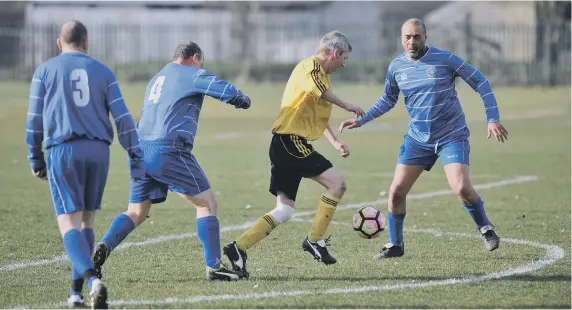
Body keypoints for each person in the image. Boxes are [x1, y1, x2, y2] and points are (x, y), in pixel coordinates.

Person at [339, 18, 508, 259]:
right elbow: (388, 99)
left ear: (425, 37)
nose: (411, 41)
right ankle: (395, 245)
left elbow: (480, 80)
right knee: (396, 191)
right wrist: (361, 120)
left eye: (416, 36)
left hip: (451, 135)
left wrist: (492, 118)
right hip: (418, 139)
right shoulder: (396, 66)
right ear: (401, 38)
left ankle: (486, 228)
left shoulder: (445, 59)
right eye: (407, 37)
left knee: (461, 187)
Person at [92, 41, 251, 281]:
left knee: (137, 210)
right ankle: (214, 267)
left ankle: (104, 245)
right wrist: (243, 100)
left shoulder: (157, 77)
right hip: (167, 148)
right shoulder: (192, 73)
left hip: (139, 147)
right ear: (195, 57)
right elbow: (228, 91)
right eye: (201, 62)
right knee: (206, 204)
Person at [223, 31, 364, 278]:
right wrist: (348, 105)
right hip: (290, 143)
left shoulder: (322, 80)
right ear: (334, 53)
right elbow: (321, 93)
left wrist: (335, 142)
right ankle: (315, 240)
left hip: (286, 144)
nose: (345, 63)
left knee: (285, 210)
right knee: (337, 185)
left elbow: (319, 114)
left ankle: (238, 248)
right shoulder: (309, 67)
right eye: (344, 57)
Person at [26, 20, 144, 308]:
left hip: (63, 150)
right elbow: (123, 118)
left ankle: (93, 281)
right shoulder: (103, 72)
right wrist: (135, 154)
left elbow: (33, 121)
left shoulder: (45, 71)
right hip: (98, 152)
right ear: (86, 43)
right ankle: (75, 293)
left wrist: (35, 157)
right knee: (87, 221)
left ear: (59, 43)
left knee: (68, 223)